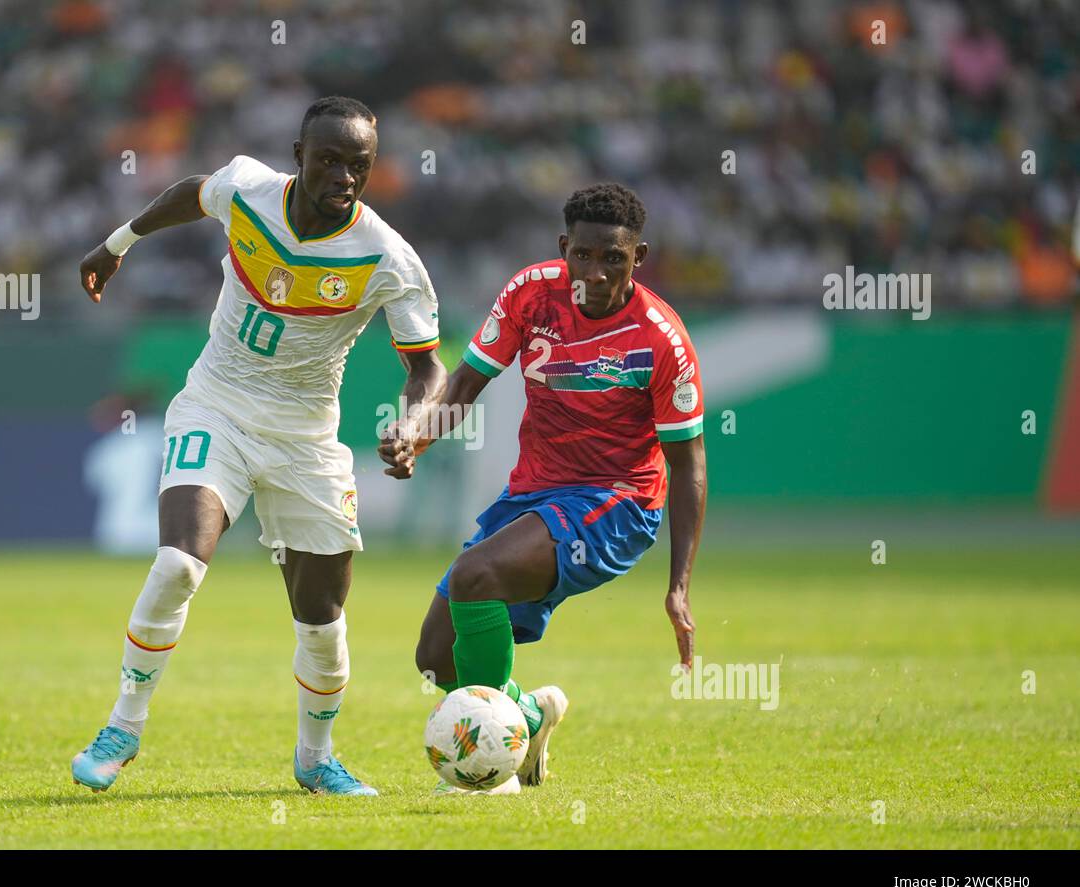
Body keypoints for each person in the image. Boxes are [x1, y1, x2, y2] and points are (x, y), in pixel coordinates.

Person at [73, 96, 446, 796]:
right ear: (299, 155)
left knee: (323, 623)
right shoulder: (248, 188)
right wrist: (117, 242)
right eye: (329, 159)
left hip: (307, 441)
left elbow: (427, 367)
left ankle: (315, 758)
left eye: (357, 165)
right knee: (178, 565)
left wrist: (413, 422)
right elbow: (191, 194)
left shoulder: (387, 257)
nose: (343, 176)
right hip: (216, 408)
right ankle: (123, 727)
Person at [385, 183, 707, 794]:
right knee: (436, 659)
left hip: (617, 504)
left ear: (639, 258)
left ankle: (491, 773)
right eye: (583, 255)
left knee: (475, 576)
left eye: (614, 258)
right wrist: (416, 439)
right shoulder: (531, 293)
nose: (596, 272)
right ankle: (529, 718)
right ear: (565, 248)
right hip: (535, 494)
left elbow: (687, 462)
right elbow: (464, 385)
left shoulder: (661, 338)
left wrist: (679, 587)